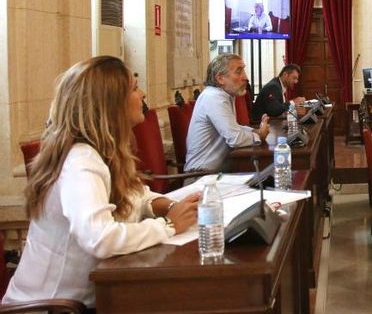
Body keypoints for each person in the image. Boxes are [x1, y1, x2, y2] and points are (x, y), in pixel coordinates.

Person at [1, 56, 200, 308]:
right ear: (111, 103)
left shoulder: (101, 151)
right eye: (134, 88)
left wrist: (170, 207)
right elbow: (100, 238)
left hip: (85, 299)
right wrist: (170, 226)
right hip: (53, 307)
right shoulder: (80, 160)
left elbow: (135, 194)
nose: (143, 93)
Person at [185, 54, 270, 172]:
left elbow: (232, 128)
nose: (245, 77)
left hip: (218, 172)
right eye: (238, 72)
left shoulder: (224, 95)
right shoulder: (214, 97)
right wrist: (259, 135)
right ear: (220, 78)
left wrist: (255, 131)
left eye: (243, 71)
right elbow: (235, 138)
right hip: (202, 176)